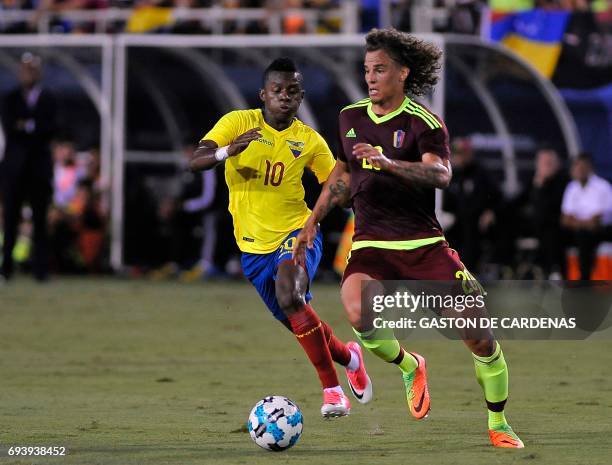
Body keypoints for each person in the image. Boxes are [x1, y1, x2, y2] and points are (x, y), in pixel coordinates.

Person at [294, 28, 524, 448]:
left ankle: (499, 424)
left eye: (380, 69)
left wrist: (388, 163)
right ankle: (409, 364)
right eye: (367, 70)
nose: (371, 78)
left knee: (479, 336)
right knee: (357, 311)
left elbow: (441, 174)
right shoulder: (350, 117)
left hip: (423, 245)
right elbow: (342, 176)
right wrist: (313, 220)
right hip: (371, 243)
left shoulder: (425, 124)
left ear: (403, 72)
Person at [189, 57, 372, 418]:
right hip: (253, 249)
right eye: (277, 91)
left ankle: (332, 391)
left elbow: (336, 186)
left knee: (291, 293)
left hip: (298, 231)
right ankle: (351, 357)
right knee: (297, 317)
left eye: (292, 91)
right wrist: (228, 151)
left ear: (301, 96)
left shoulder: (308, 140)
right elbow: (197, 159)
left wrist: (360, 188)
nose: (284, 97)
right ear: (263, 94)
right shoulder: (238, 122)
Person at [1, 52, 58, 282]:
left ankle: (40, 270)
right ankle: (6, 268)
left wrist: (27, 125)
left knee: (40, 220)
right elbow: (11, 127)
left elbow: (49, 128)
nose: (28, 73)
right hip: (14, 169)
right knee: (11, 219)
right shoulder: (10, 98)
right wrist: (33, 127)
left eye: (32, 69)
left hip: (38, 169)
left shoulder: (49, 98)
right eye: (25, 69)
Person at [561, 154, 612, 280]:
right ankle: (558, 273)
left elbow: (597, 219)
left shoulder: (602, 186)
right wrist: (582, 224)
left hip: (602, 230)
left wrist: (577, 222)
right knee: (557, 234)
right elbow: (565, 219)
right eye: (577, 167)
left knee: (584, 236)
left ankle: (585, 279)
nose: (579, 170)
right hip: (580, 231)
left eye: (583, 167)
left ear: (590, 168)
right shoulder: (572, 187)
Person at [530, 148, 569, 278]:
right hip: (536, 226)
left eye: (549, 163)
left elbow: (552, 207)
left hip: (555, 227)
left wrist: (540, 188)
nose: (546, 167)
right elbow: (518, 201)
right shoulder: (535, 181)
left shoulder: (563, 181)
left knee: (549, 228)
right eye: (543, 163)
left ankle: (553, 270)